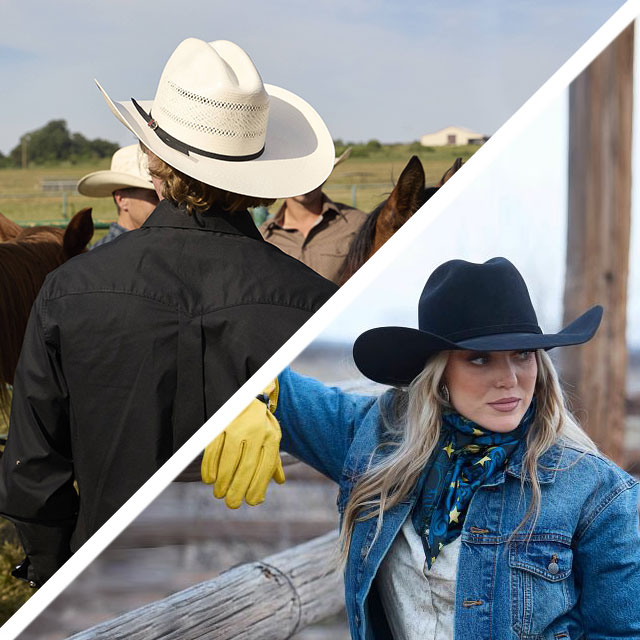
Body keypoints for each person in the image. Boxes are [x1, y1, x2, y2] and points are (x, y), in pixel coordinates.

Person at [0, 37, 337, 587]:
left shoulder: (69, 291)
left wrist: (55, 579)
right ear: (256, 180)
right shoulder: (314, 305)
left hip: (103, 586)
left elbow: (33, 474)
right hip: (257, 585)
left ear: (154, 165)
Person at [210, 257, 640, 639]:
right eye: (479, 359)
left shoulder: (597, 494)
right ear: (438, 373)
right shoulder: (376, 442)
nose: (509, 378)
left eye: (523, 355)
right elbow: (251, 359)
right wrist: (254, 397)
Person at [259, 149, 367, 284]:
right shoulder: (263, 237)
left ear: (325, 175)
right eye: (295, 173)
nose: (304, 181)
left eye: (311, 173)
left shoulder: (359, 224)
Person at [77, 144, 159, 248]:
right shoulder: (104, 256)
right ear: (122, 200)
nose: (164, 203)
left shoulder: (100, 255)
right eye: (154, 196)